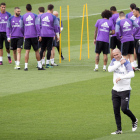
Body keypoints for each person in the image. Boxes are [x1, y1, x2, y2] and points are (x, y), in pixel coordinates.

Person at [108, 48, 138, 134]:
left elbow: (132, 74)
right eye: (114, 55)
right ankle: (119, 130)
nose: (116, 56)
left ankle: (134, 120)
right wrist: (118, 64)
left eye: (117, 54)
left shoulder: (126, 62)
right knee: (116, 110)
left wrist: (121, 77)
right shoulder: (114, 61)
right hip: (115, 90)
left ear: (120, 53)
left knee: (124, 109)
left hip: (125, 90)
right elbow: (109, 69)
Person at [20, 4, 45, 71]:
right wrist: (39, 34)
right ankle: (39, 66)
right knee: (36, 50)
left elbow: (21, 27)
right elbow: (37, 25)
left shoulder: (23, 16)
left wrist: (24, 34)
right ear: (31, 9)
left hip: (27, 36)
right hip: (34, 36)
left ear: (26, 9)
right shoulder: (35, 15)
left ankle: (26, 67)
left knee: (27, 51)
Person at [38, 4, 59, 68]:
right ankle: (47, 64)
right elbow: (56, 27)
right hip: (50, 35)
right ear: (52, 9)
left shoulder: (41, 16)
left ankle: (40, 63)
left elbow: (39, 26)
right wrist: (58, 35)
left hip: (43, 34)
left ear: (47, 8)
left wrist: (39, 35)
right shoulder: (54, 17)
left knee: (42, 49)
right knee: (49, 49)